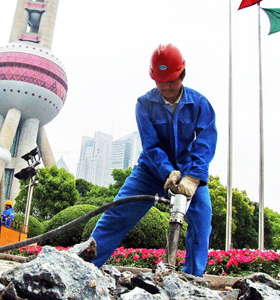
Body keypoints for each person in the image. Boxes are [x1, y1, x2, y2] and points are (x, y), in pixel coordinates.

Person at [90, 44, 217, 277]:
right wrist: (167, 171)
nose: (166, 87)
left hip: (190, 172)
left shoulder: (200, 103)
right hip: (150, 171)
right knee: (117, 214)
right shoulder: (144, 104)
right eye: (161, 82)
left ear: (182, 75)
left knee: (201, 220)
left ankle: (192, 279)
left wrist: (193, 177)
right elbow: (151, 145)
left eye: (171, 80)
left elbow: (206, 142)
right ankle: (86, 267)